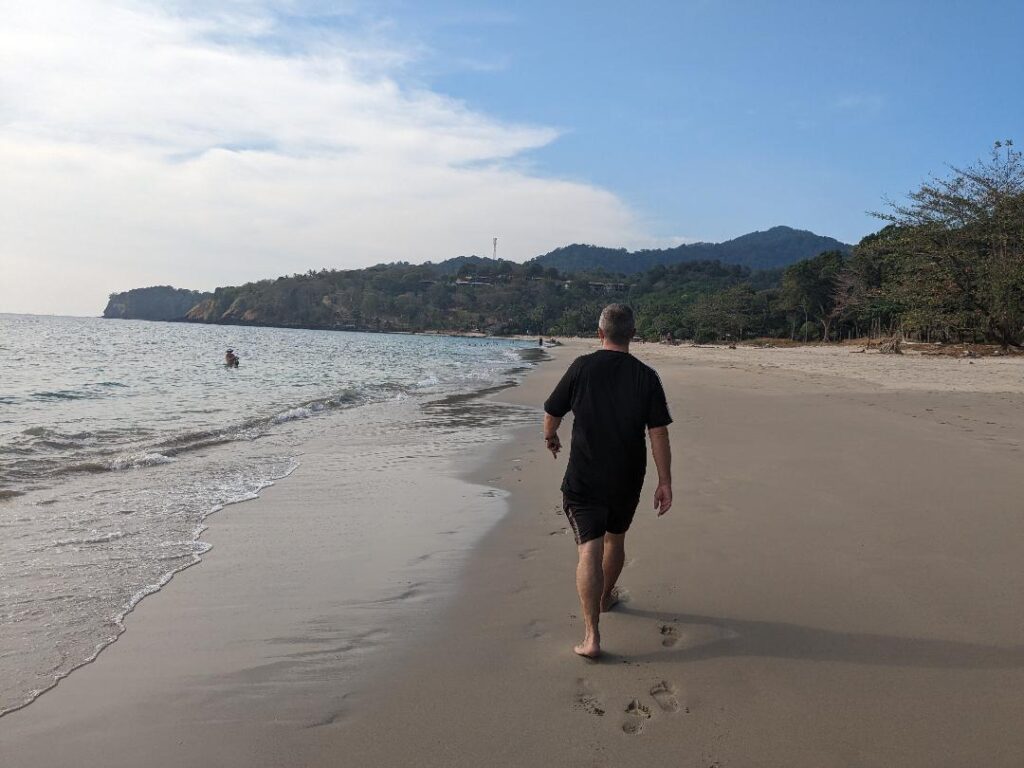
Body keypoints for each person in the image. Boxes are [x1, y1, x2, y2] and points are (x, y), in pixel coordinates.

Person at [542, 304, 673, 659]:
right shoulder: (647, 376)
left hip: (585, 477)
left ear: (600, 334)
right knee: (614, 541)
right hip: (627, 478)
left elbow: (552, 413)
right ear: (632, 334)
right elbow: (657, 433)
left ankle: (591, 636)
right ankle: (605, 597)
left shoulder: (582, 367)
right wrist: (665, 481)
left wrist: (551, 438)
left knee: (589, 548)